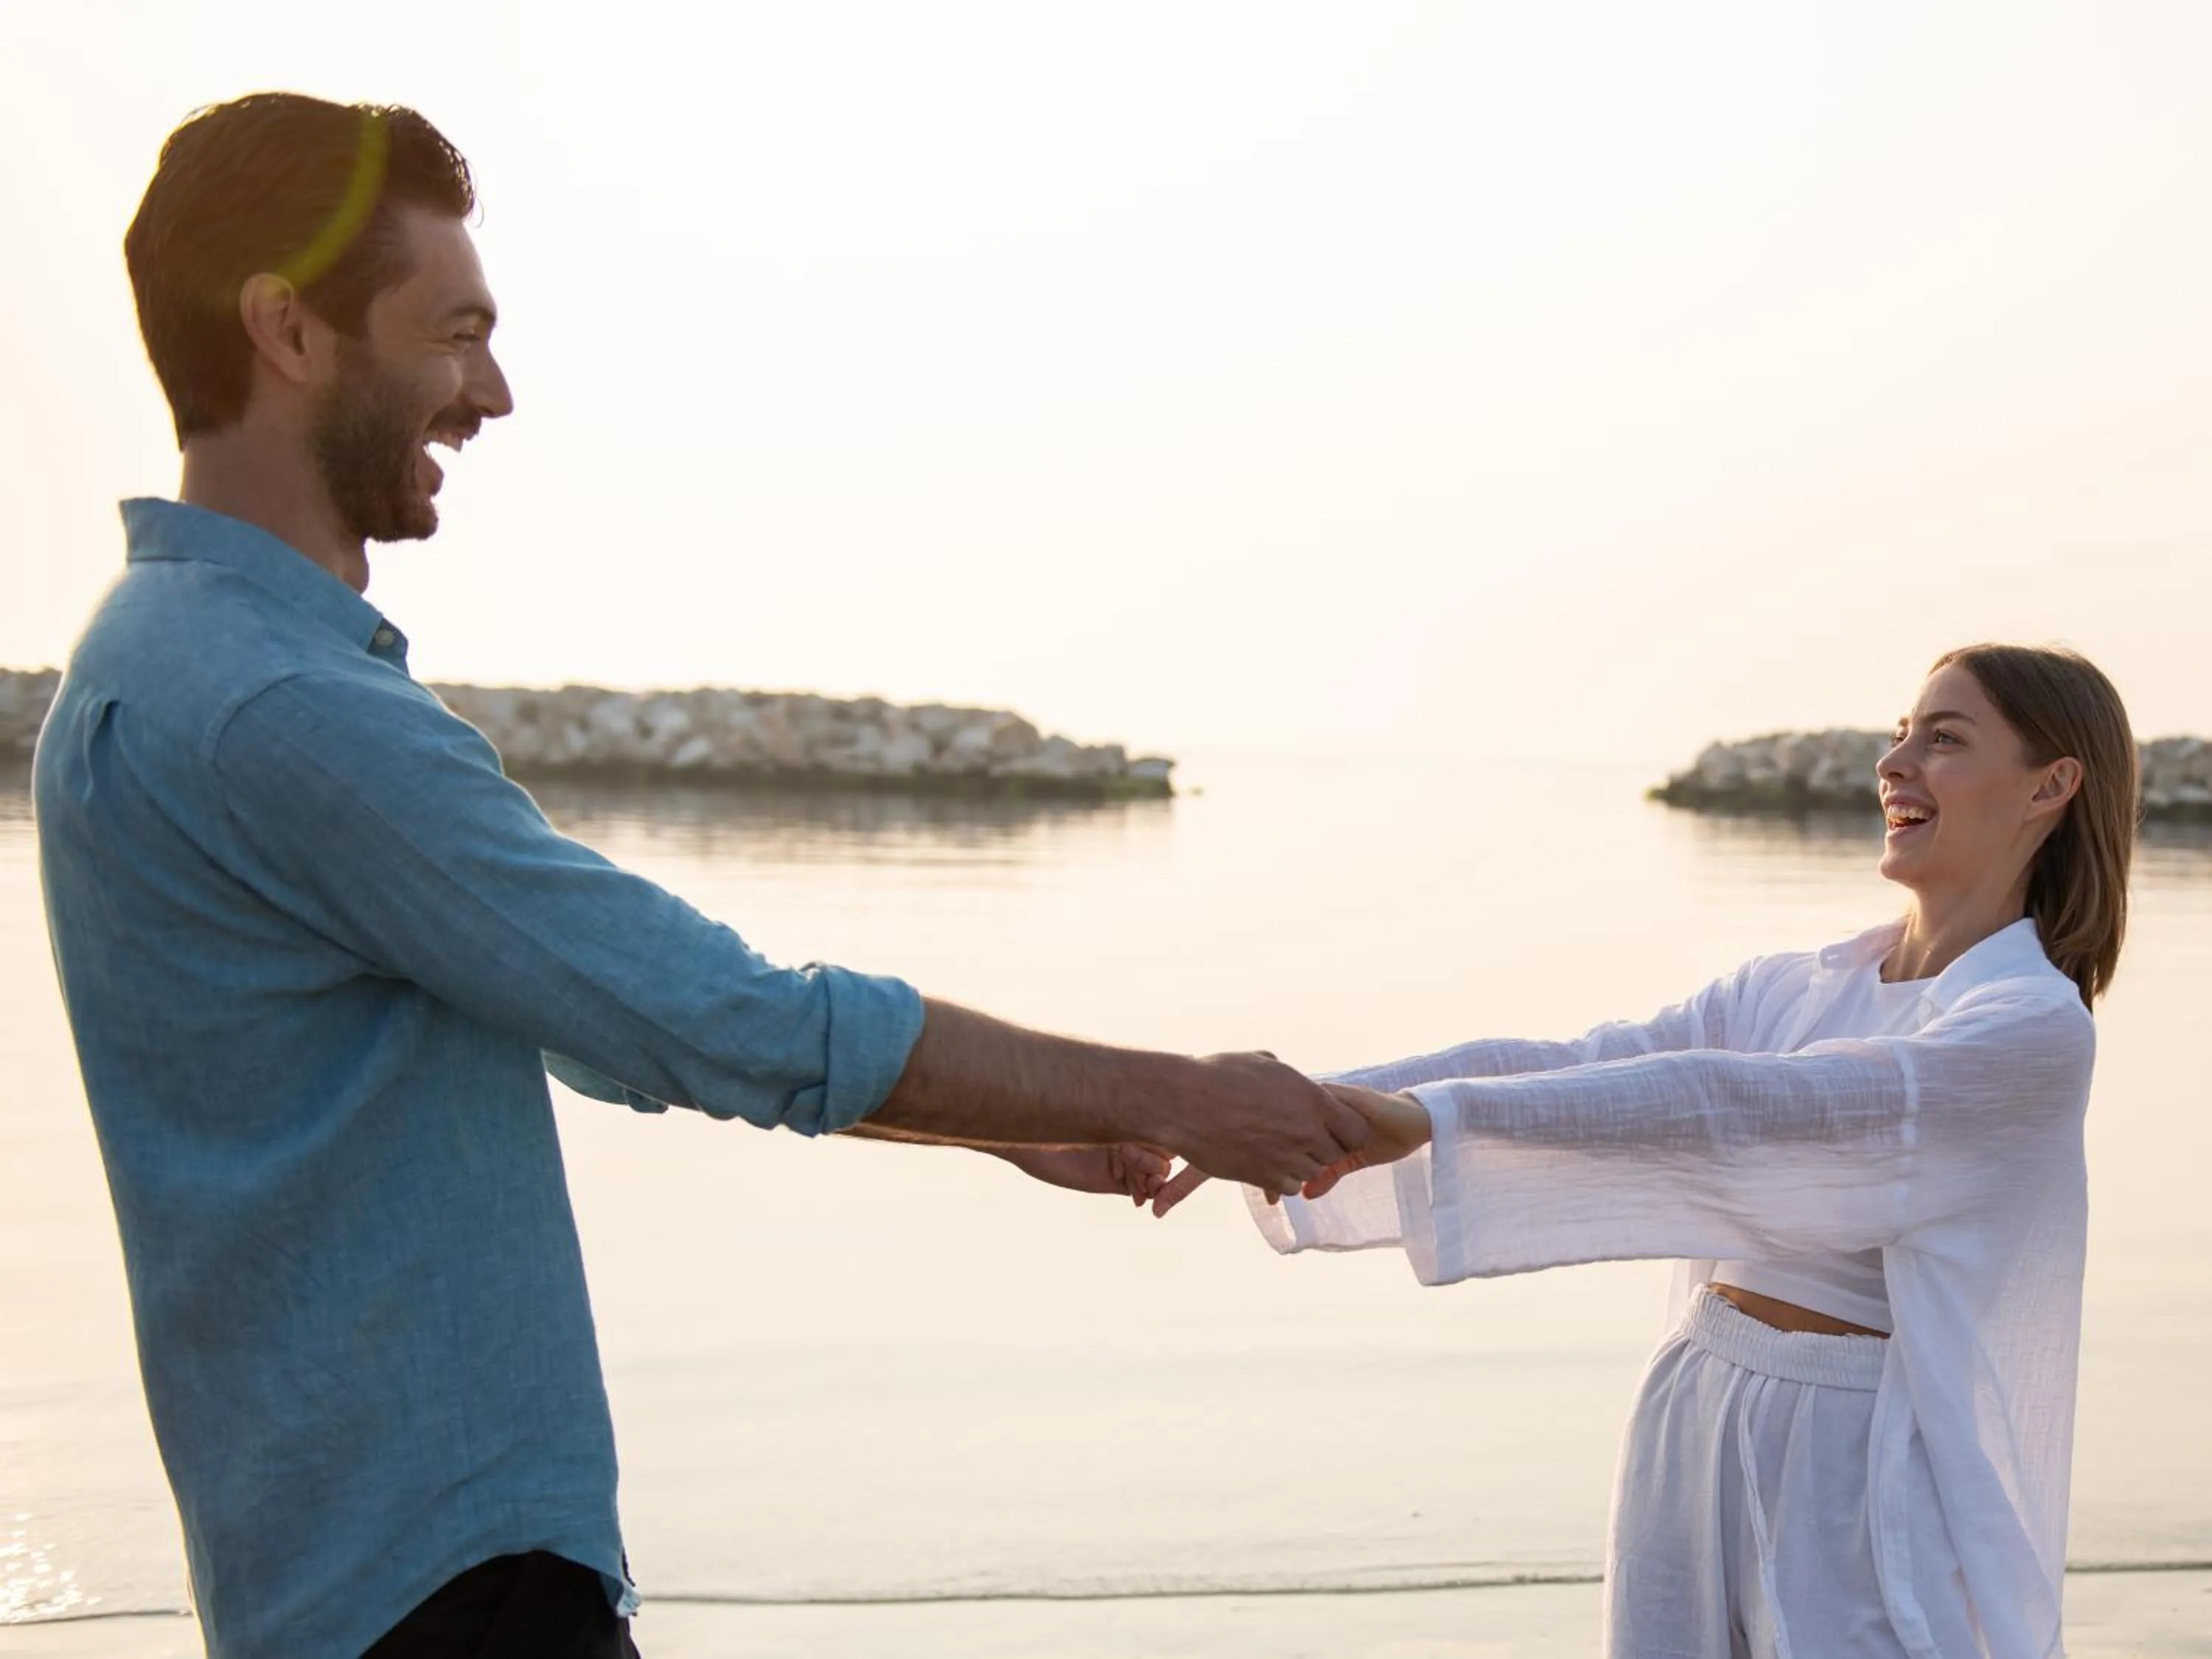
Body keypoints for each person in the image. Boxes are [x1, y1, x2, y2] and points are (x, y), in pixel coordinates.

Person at [33, 94, 1371, 1659]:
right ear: (289, 331)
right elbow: (711, 1015)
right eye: (453, 332)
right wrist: (1169, 1095)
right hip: (447, 1597)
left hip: (318, 1577)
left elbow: (593, 1018)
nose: (493, 392)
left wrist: (1035, 1113)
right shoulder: (287, 714)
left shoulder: (136, 669)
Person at [1155, 644, 2137, 1658]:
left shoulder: (2027, 1029)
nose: (1894, 763)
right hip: (1697, 1401)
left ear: (2050, 784)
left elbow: (1761, 1113)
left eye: (1945, 739)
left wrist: (1437, 1120)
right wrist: (1303, 1109)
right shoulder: (1791, 986)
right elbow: (1590, 1062)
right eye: (1899, 735)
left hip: (1854, 1458)